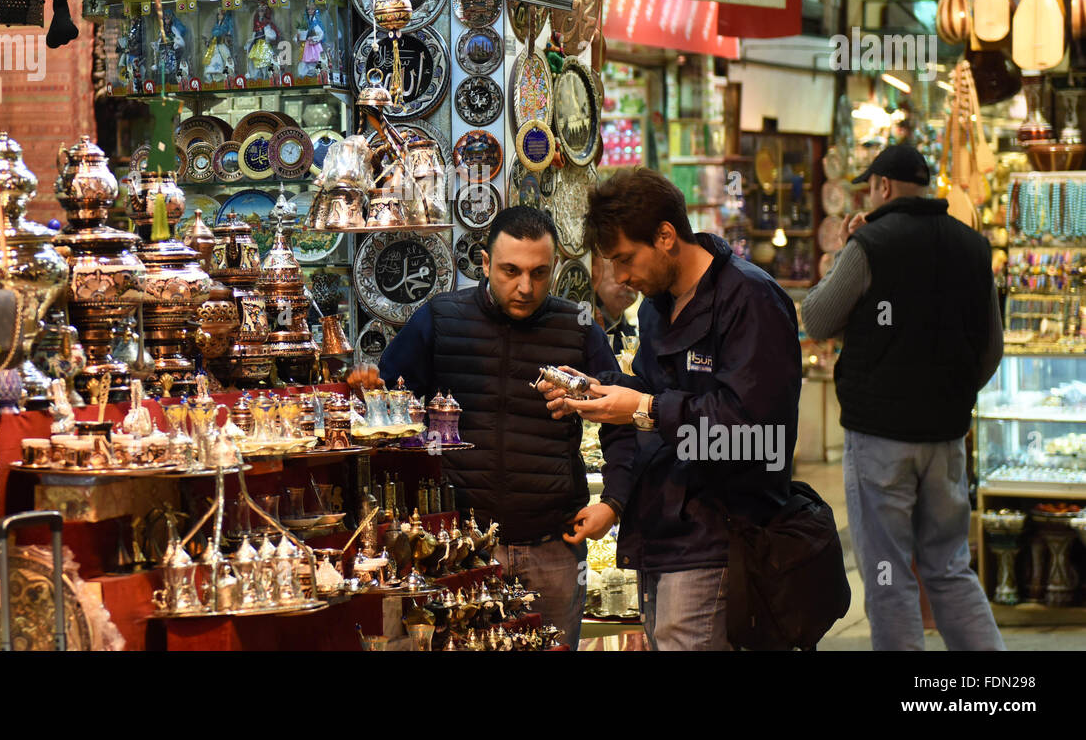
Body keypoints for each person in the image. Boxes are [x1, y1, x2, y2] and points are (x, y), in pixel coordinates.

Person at [535, 169, 802, 651]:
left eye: (625, 259)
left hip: (718, 535)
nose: (620, 278)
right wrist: (599, 391)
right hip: (660, 531)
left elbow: (758, 435)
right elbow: (652, 389)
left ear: (665, 236)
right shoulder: (658, 306)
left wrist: (647, 409)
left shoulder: (750, 299)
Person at [357, 207, 620, 651]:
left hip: (553, 547)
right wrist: (370, 392)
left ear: (554, 267)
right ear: (484, 264)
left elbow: (624, 423)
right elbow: (390, 411)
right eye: (510, 271)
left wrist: (613, 503)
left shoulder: (577, 328)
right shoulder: (440, 319)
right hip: (459, 549)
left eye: (539, 273)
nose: (525, 287)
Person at [802, 143, 1005, 651]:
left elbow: (819, 318)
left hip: (880, 441)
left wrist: (846, 251)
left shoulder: (872, 244)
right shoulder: (973, 247)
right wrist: (950, 397)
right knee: (950, 569)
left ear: (883, 188)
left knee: (890, 577)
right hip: (946, 438)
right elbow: (991, 350)